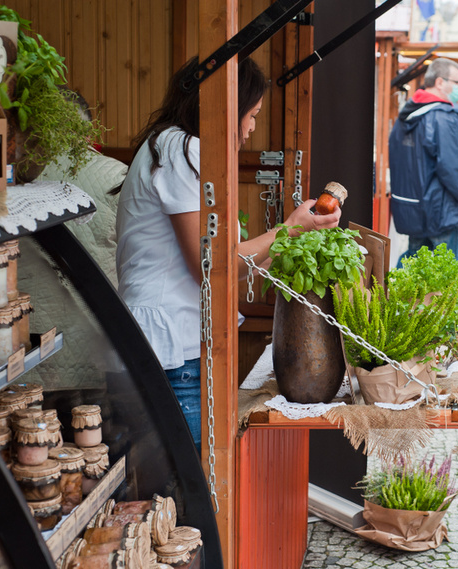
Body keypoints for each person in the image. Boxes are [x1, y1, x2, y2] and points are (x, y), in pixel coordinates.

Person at [115, 57, 341, 447]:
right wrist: (289, 228)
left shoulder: (176, 146)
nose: (252, 128)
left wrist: (294, 234)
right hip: (169, 346)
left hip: (171, 342)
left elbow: (235, 264)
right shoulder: (181, 150)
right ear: (224, 109)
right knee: (187, 492)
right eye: (250, 115)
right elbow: (213, 265)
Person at [388, 58, 458, 263]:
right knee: (446, 282)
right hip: (443, 211)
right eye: (456, 82)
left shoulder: (406, 115)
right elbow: (452, 166)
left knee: (416, 277)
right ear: (439, 82)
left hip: (415, 208)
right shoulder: (442, 116)